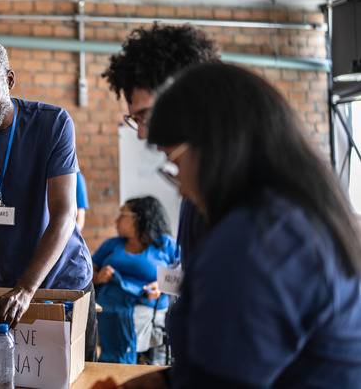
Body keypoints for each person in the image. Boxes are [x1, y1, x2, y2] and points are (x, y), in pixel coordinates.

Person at [122, 63, 361, 388]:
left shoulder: (255, 243)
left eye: (175, 163)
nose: (180, 188)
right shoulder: (294, 215)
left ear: (215, 148)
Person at [0, 36, 97, 361]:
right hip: (8, 286)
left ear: (9, 80)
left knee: (78, 377)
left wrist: (27, 290)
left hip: (65, 282)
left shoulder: (52, 124)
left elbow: (64, 214)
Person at [102, 23, 220, 261]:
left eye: (145, 116)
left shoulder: (258, 201)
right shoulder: (194, 195)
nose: (143, 135)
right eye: (136, 119)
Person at [92, 196, 179, 365]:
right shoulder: (111, 245)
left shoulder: (165, 245)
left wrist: (162, 286)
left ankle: (126, 367)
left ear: (138, 218)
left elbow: (183, 275)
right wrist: (98, 277)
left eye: (122, 215)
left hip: (147, 306)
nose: (117, 220)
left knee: (133, 324)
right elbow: (86, 272)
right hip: (110, 303)